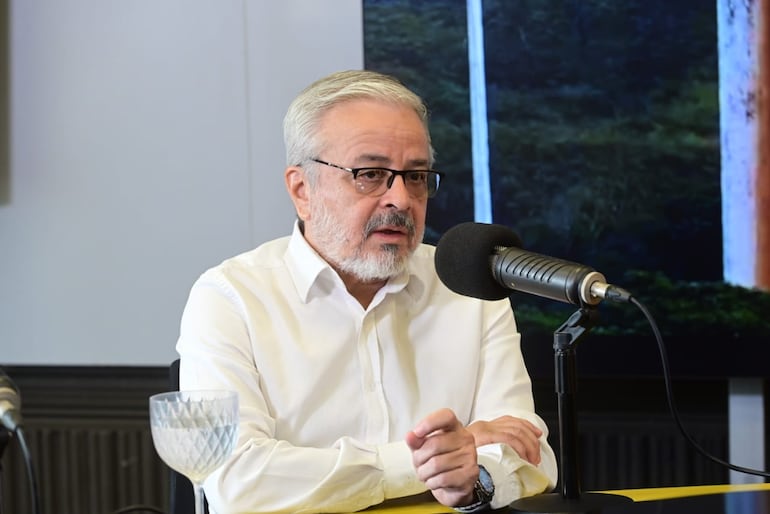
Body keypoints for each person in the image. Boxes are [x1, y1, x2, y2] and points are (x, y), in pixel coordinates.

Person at [176, 69, 558, 513]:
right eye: (371, 174)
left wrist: (477, 480)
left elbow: (533, 456)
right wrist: (425, 464)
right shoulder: (229, 298)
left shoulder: (467, 285)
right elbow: (237, 483)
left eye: (415, 176)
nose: (400, 198)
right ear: (302, 190)